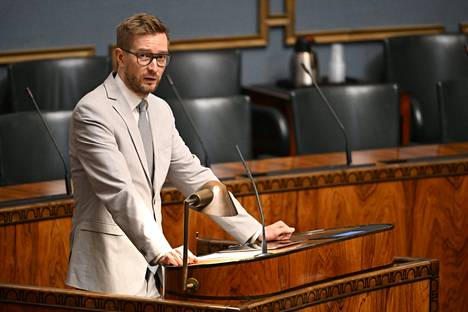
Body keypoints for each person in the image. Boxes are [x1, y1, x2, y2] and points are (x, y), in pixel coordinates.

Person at [65, 12, 295, 297]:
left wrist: (253, 231)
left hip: (153, 271)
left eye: (162, 58)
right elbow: (119, 192)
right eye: (144, 56)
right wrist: (161, 250)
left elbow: (195, 177)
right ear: (120, 57)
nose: (155, 67)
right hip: (106, 271)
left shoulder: (161, 110)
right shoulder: (93, 111)